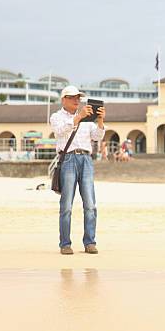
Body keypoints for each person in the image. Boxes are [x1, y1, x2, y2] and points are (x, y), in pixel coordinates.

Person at [50, 86, 105, 255]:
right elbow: (60, 131)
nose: (76, 100)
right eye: (72, 97)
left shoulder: (88, 118)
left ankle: (90, 242)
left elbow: (97, 136)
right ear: (63, 99)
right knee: (66, 205)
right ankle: (65, 244)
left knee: (90, 204)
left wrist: (100, 120)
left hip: (86, 159)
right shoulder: (56, 117)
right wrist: (78, 117)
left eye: (78, 97)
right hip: (68, 159)